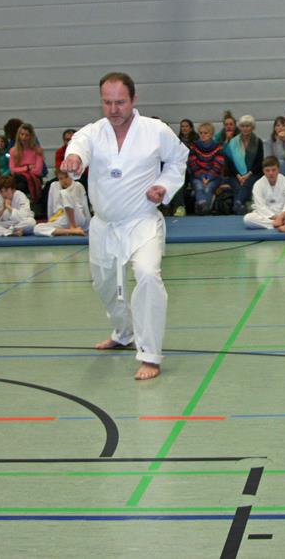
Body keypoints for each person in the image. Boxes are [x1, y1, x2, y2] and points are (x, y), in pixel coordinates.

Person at [61, 71, 189, 381]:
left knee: (147, 275)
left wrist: (163, 186)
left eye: (120, 102)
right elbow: (78, 147)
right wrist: (74, 159)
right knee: (105, 285)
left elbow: (178, 159)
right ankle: (123, 333)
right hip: (104, 226)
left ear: (134, 99)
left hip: (142, 221)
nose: (113, 109)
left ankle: (150, 354)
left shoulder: (155, 131)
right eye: (107, 102)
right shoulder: (93, 132)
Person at [243, 156, 285, 232]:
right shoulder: (258, 185)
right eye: (267, 170)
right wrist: (276, 218)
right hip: (269, 216)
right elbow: (260, 207)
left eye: (273, 170)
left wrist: (281, 217)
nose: (271, 173)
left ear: (278, 169)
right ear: (263, 171)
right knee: (247, 219)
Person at [224, 115, 264, 215]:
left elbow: (259, 162)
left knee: (246, 184)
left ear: (252, 127)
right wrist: (239, 175)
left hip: (253, 174)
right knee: (238, 186)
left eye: (248, 126)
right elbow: (230, 163)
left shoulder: (258, 141)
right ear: (240, 127)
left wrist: (247, 175)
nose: (245, 128)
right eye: (243, 126)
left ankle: (237, 203)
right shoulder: (233, 142)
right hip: (235, 175)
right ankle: (240, 206)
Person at [35, 169, 91, 237]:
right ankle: (71, 231)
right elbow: (50, 206)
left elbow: (85, 207)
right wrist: (50, 221)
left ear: (71, 176)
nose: (64, 180)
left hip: (77, 216)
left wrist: (88, 226)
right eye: (61, 178)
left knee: (64, 193)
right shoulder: (54, 186)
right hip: (62, 219)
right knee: (37, 228)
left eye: (66, 177)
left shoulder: (78, 186)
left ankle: (73, 226)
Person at [188, 122, 224, 215]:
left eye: (205, 133)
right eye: (200, 133)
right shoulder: (194, 146)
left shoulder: (218, 146)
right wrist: (202, 177)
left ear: (211, 134)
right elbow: (192, 163)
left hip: (214, 176)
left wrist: (208, 177)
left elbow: (218, 165)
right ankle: (204, 206)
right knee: (199, 187)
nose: (202, 135)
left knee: (208, 188)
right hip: (197, 175)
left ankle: (202, 206)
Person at [9, 122, 46, 204]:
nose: (24, 137)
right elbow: (12, 170)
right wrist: (27, 167)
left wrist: (20, 169)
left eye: (27, 135)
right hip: (19, 178)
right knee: (18, 183)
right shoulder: (13, 151)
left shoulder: (37, 150)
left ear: (31, 137)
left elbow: (37, 171)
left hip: (34, 178)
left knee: (18, 182)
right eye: (22, 134)